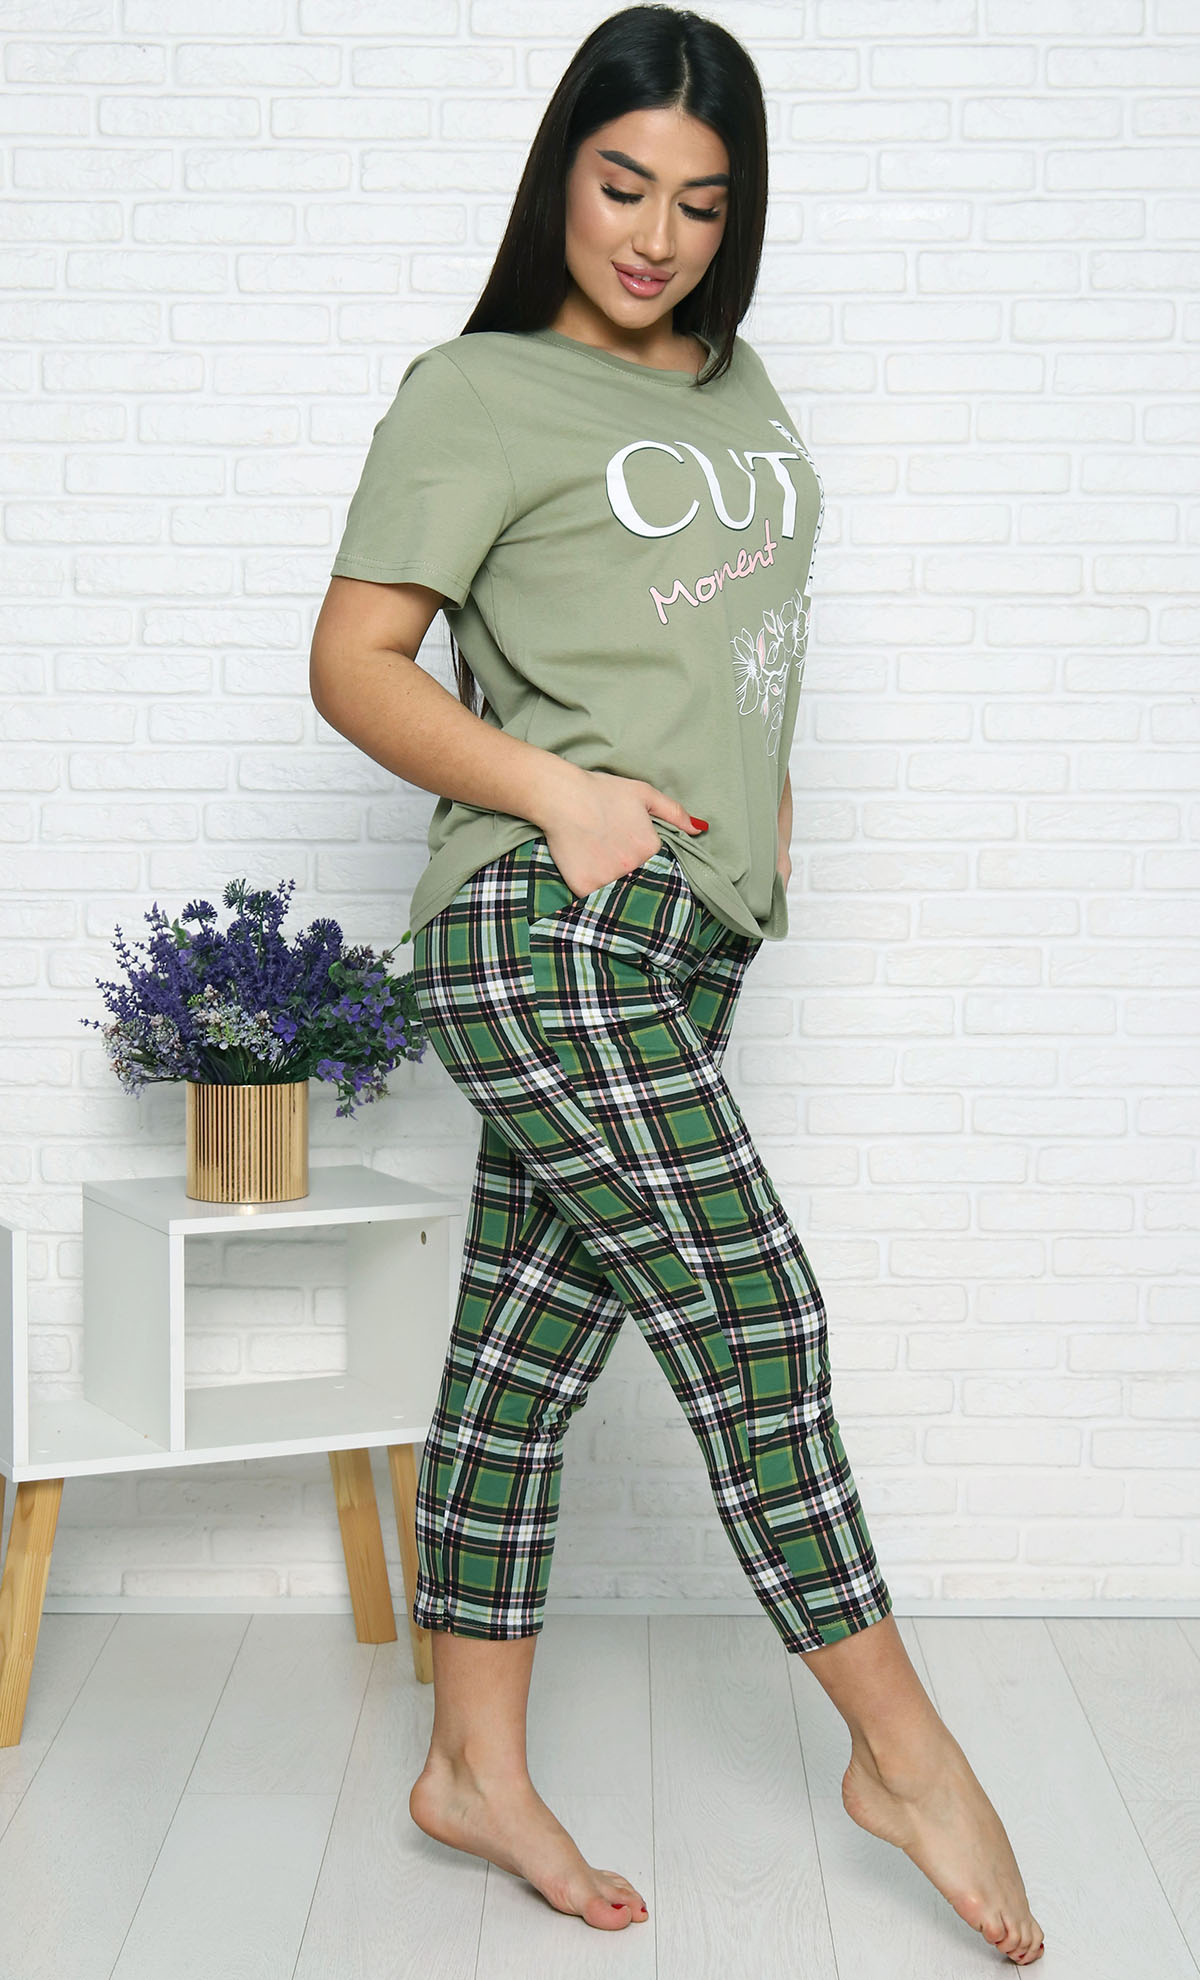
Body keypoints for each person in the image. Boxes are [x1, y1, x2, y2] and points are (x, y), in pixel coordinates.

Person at [309, 5, 1045, 1964]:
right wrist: (561, 789)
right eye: (622, 184)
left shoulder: (736, 380)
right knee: (755, 1309)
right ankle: (906, 1756)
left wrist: (761, 823)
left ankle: (471, 1772)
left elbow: (732, 642)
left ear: (739, 217)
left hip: (687, 940)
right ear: (562, 172)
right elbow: (353, 661)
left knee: (519, 1361)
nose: (654, 237)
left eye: (700, 205)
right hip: (542, 930)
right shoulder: (477, 389)